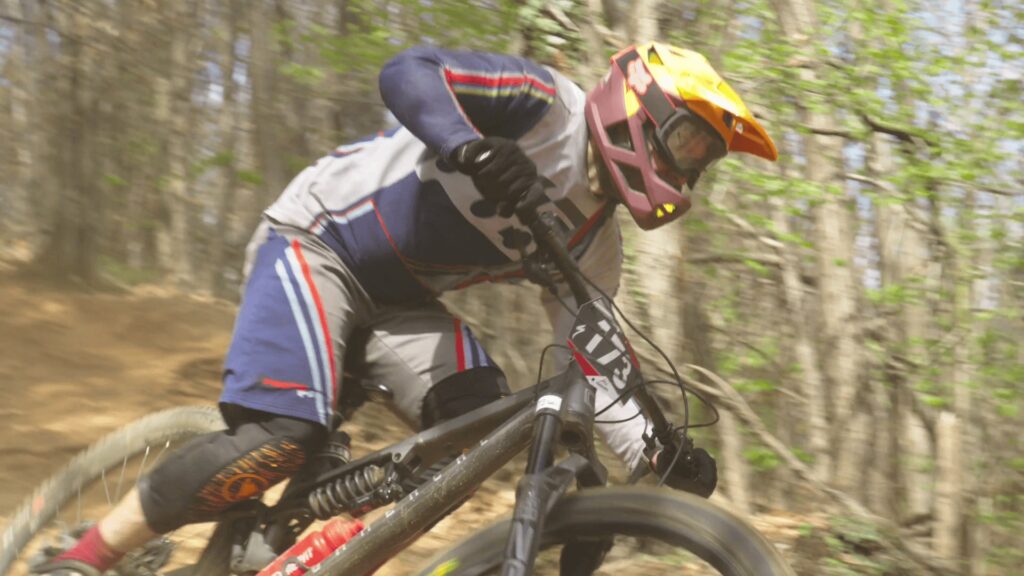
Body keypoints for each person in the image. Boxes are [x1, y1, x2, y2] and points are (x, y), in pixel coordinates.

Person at [39, 41, 777, 575]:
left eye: (698, 162)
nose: (685, 169)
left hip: (400, 301)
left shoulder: (598, 247)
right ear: (637, 107)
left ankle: (310, 546)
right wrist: (464, 142)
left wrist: (657, 451)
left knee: (478, 425)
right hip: (317, 240)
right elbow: (408, 71)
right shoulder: (545, 106)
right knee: (281, 436)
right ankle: (86, 555)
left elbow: (596, 364)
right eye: (684, 142)